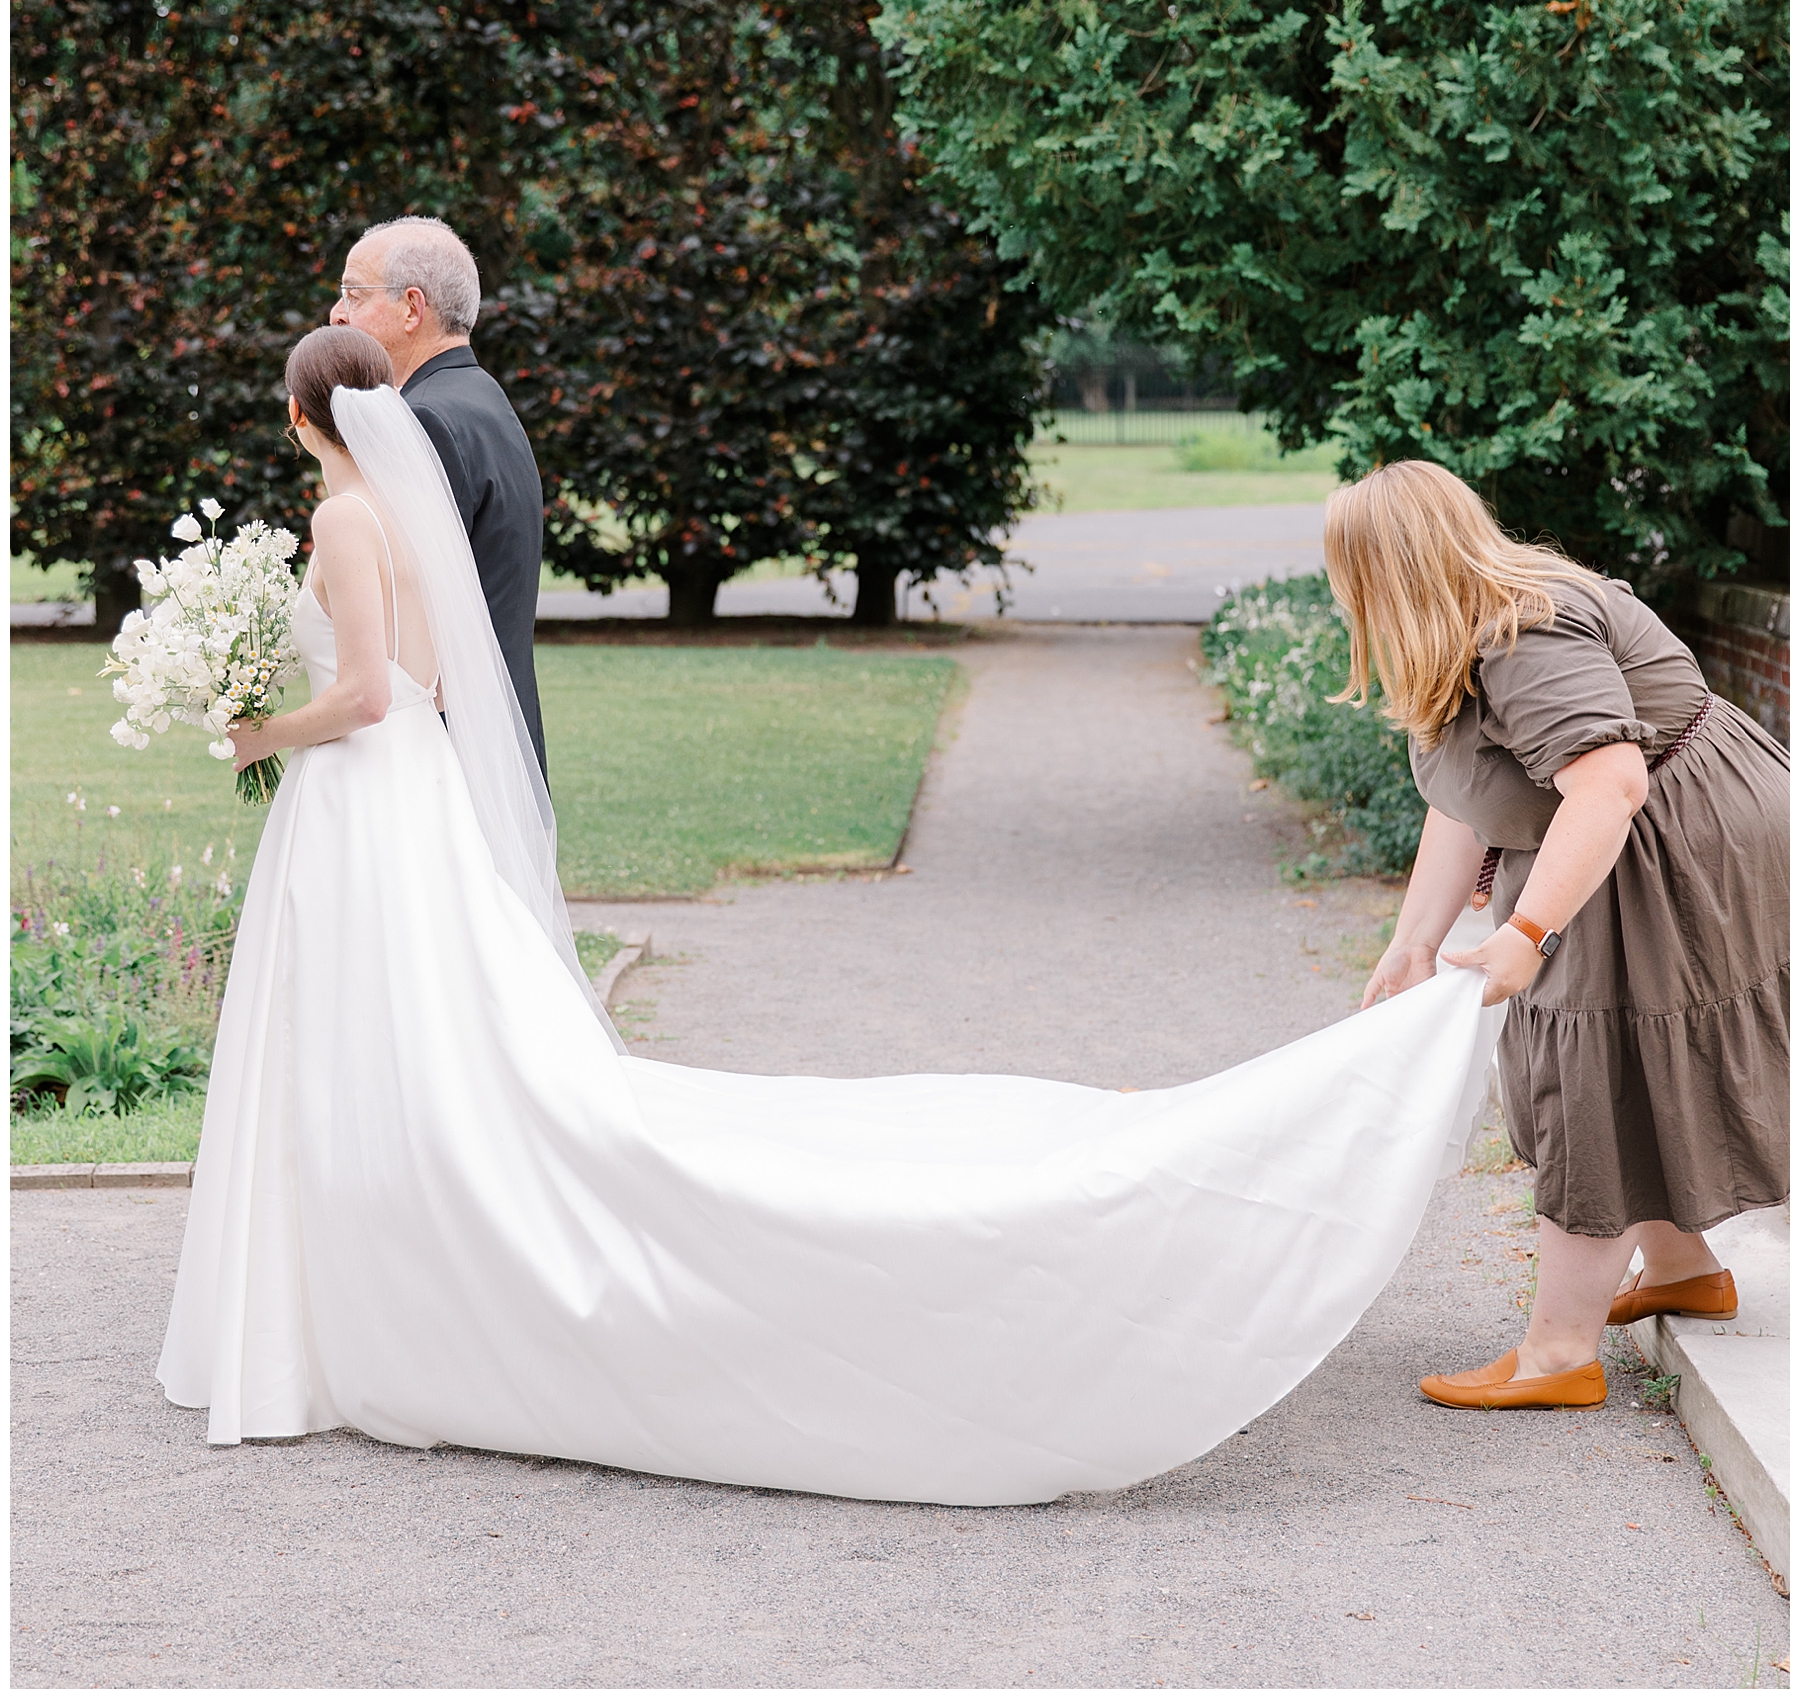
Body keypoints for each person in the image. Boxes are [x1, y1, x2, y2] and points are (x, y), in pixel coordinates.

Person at [159, 330, 1499, 1505]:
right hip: (413, 802)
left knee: (356, 1038)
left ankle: (328, 1299)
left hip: (355, 791)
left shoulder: (341, 522)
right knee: (415, 1031)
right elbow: (440, 681)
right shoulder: (402, 520)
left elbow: (373, 694)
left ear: (298, 420)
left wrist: (255, 723)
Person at [1329, 461, 1789, 1412]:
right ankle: (1680, 1264)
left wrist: (1530, 929)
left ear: (1390, 572)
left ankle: (1559, 1353)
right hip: (1611, 831)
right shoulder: (1458, 635)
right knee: (1607, 1051)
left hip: (1669, 835)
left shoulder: (1522, 635)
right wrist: (1415, 938)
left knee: (1592, 1063)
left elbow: (1610, 781)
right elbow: (1466, 802)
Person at [329, 215, 547, 773]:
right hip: (497, 732)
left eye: (354, 293)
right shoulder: (480, 397)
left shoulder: (425, 421)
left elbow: (407, 619)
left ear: (411, 308)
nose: (337, 314)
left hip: (449, 752)